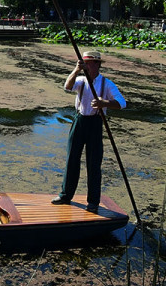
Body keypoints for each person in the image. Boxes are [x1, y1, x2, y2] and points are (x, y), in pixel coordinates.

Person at [52, 50, 127, 209]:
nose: (85, 65)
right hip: (79, 121)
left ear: (97, 64)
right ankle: (65, 195)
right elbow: (67, 86)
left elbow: (122, 103)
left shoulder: (107, 84)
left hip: (95, 123)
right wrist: (76, 69)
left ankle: (93, 202)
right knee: (72, 159)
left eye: (87, 63)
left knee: (94, 164)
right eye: (83, 63)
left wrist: (104, 103)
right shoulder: (80, 80)